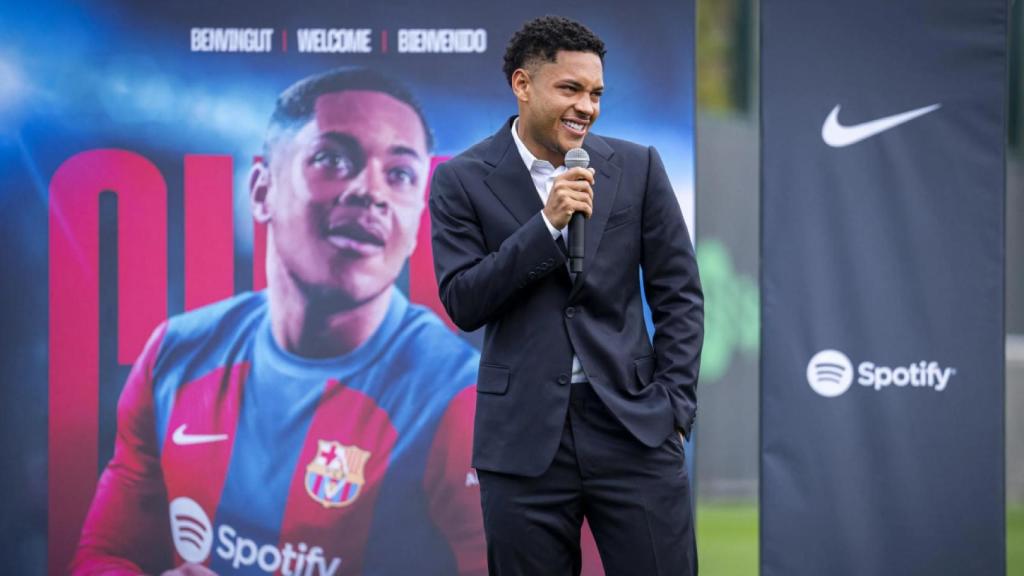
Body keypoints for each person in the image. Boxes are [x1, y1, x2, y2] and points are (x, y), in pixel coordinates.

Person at [72, 68, 486, 576]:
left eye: (399, 175)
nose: (370, 191)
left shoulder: (461, 399)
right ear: (261, 190)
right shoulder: (176, 355)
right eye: (332, 159)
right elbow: (105, 556)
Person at [429, 16, 704, 576]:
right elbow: (463, 301)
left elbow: (679, 293)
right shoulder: (461, 180)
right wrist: (546, 226)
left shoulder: (637, 166)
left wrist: (673, 406)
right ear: (523, 85)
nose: (587, 106)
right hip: (523, 443)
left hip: (633, 427)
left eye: (596, 93)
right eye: (570, 89)